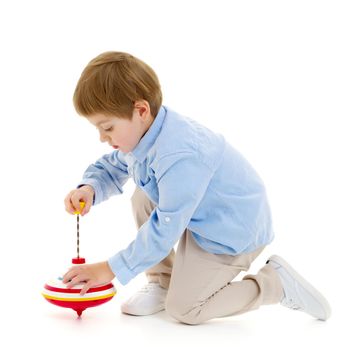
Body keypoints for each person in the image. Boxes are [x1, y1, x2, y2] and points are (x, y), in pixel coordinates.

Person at [62, 51, 331, 324]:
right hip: (202, 216)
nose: (102, 137)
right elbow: (115, 165)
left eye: (107, 127)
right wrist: (90, 188)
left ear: (141, 110)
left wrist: (109, 269)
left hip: (231, 232)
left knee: (186, 309)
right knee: (143, 196)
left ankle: (275, 284)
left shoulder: (179, 155)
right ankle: (162, 281)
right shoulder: (144, 132)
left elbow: (164, 230)